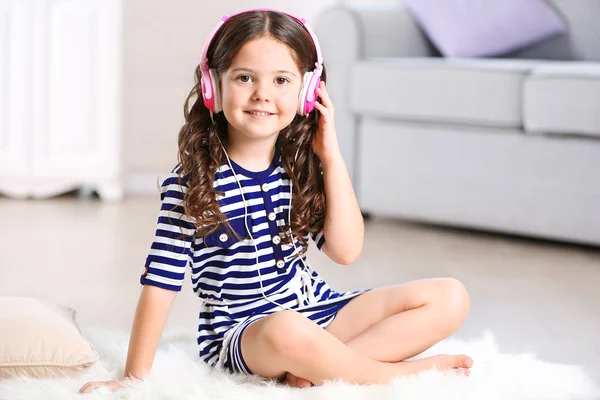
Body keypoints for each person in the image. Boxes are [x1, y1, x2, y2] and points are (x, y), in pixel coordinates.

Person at [79, 8, 472, 393]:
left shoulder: (299, 168)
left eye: (282, 80)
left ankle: (313, 370)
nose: (262, 94)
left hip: (317, 310)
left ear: (306, 93)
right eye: (245, 77)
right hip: (247, 334)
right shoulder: (191, 183)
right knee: (286, 328)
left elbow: (346, 251)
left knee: (451, 296)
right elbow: (161, 284)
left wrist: (330, 156)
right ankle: (388, 375)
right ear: (212, 85)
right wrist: (132, 378)